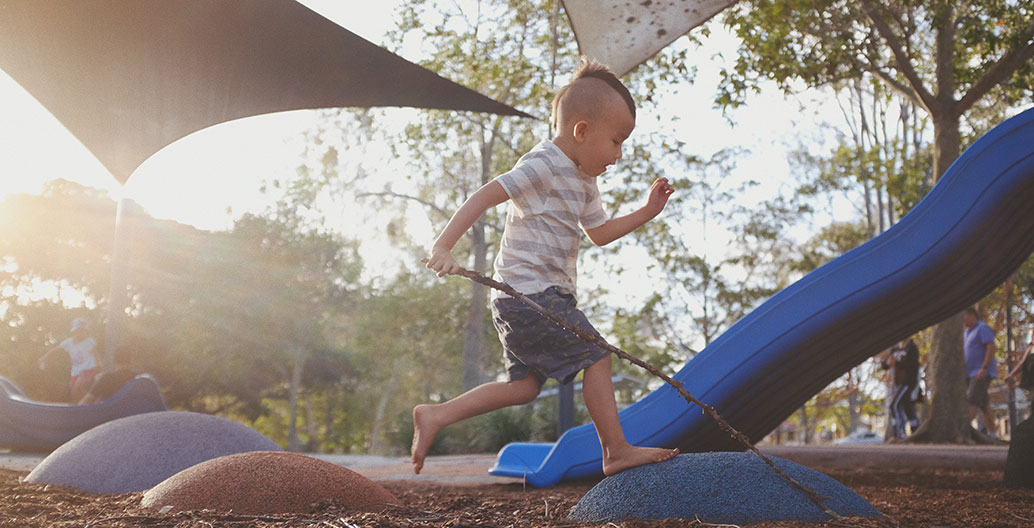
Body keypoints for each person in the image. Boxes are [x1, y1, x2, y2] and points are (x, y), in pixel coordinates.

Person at [415, 57, 678, 476]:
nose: (620, 155)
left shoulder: (585, 182)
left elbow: (601, 232)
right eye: (616, 141)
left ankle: (436, 415)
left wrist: (648, 211)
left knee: (522, 388)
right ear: (581, 130)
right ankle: (615, 451)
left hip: (531, 297)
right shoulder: (543, 164)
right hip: (528, 293)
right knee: (598, 356)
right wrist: (445, 245)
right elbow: (485, 195)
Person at [39, 317, 101, 402]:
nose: (80, 334)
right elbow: (57, 349)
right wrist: (45, 357)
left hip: (88, 369)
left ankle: (82, 405)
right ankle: (79, 405)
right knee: (73, 389)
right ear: (74, 332)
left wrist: (99, 364)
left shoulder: (89, 341)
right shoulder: (68, 342)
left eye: (82, 331)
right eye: (78, 331)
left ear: (86, 332)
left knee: (78, 386)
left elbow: (96, 353)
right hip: (75, 371)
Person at [962, 306, 998, 437]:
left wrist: (984, 367)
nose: (962, 319)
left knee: (971, 400)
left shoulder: (982, 328)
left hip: (980, 373)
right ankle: (993, 434)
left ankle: (963, 432)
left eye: (964, 316)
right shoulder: (966, 332)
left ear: (972, 315)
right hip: (969, 373)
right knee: (984, 405)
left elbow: (991, 346)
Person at [885, 337, 921, 438]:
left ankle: (898, 433)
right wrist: (888, 363)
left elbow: (912, 366)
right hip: (896, 383)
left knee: (894, 405)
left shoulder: (912, 348)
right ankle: (915, 431)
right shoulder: (895, 349)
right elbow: (885, 365)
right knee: (907, 406)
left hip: (908, 382)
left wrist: (897, 363)